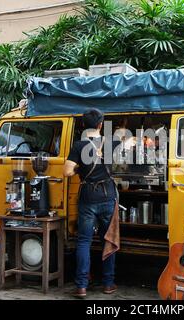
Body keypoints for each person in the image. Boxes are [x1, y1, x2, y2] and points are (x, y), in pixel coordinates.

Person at [63, 108, 119, 298]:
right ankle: (109, 284)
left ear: (83, 125)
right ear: (100, 124)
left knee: (84, 241)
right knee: (108, 239)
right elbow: (131, 143)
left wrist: (81, 168)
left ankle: (81, 286)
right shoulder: (110, 143)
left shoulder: (78, 146)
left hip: (88, 197)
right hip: (107, 196)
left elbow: (67, 172)